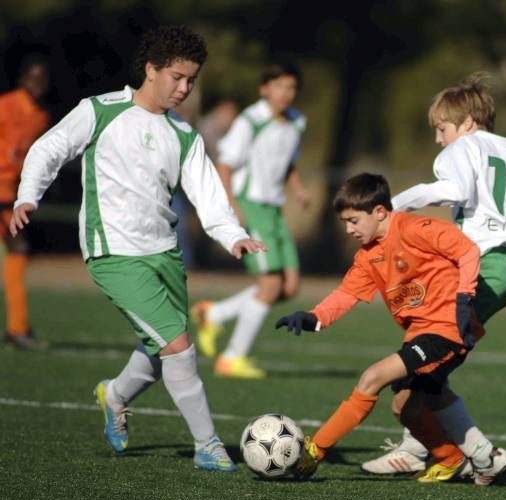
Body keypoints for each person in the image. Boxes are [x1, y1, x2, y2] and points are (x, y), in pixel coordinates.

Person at [10, 25, 265, 471]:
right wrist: (28, 194)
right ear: (151, 69)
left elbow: (208, 196)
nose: (184, 88)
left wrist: (232, 235)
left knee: (160, 347)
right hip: (113, 252)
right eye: (177, 77)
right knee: (178, 346)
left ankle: (116, 394)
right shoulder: (101, 111)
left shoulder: (183, 134)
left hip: (164, 252)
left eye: (191, 80)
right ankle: (208, 445)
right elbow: (48, 149)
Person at [360, 72, 506, 480]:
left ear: (466, 124)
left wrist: (394, 205)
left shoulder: (464, 149)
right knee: (427, 356)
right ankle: (421, 445)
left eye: (442, 129)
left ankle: (467, 451)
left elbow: (456, 189)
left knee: (423, 361)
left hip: (478, 265)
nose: (439, 140)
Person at [275, 172, 506, 485]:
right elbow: (346, 295)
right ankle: (464, 459)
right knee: (406, 409)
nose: (349, 229)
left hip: (445, 329)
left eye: (354, 221)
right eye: (345, 222)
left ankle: (314, 452)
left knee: (372, 377)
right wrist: (313, 317)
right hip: (419, 334)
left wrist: (465, 295)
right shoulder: (367, 256)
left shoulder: (415, 228)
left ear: (380, 212)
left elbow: (466, 251)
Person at [192, 62, 310, 379]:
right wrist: (232, 206)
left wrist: (298, 189)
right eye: (280, 86)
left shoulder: (297, 121)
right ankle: (232, 358)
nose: (286, 93)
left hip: (274, 208)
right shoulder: (249, 121)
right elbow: (226, 165)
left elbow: (288, 163)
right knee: (270, 285)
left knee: (289, 287)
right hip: (250, 204)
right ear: (264, 89)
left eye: (292, 87)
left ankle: (214, 313)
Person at [0, 56, 50, 349]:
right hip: (2, 192)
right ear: (22, 79)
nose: (38, 84)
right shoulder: (6, 105)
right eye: (33, 77)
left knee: (18, 251)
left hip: (10, 191)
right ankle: (17, 328)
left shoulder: (41, 116)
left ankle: (18, 326)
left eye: (42, 79)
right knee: (19, 249)